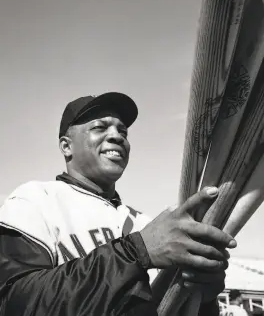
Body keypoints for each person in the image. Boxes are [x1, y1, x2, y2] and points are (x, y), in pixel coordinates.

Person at [0, 92, 238, 316]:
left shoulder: (146, 224)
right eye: (99, 127)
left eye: (123, 131)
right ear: (66, 146)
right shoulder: (34, 200)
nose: (117, 136)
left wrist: (203, 300)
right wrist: (136, 251)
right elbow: (13, 301)